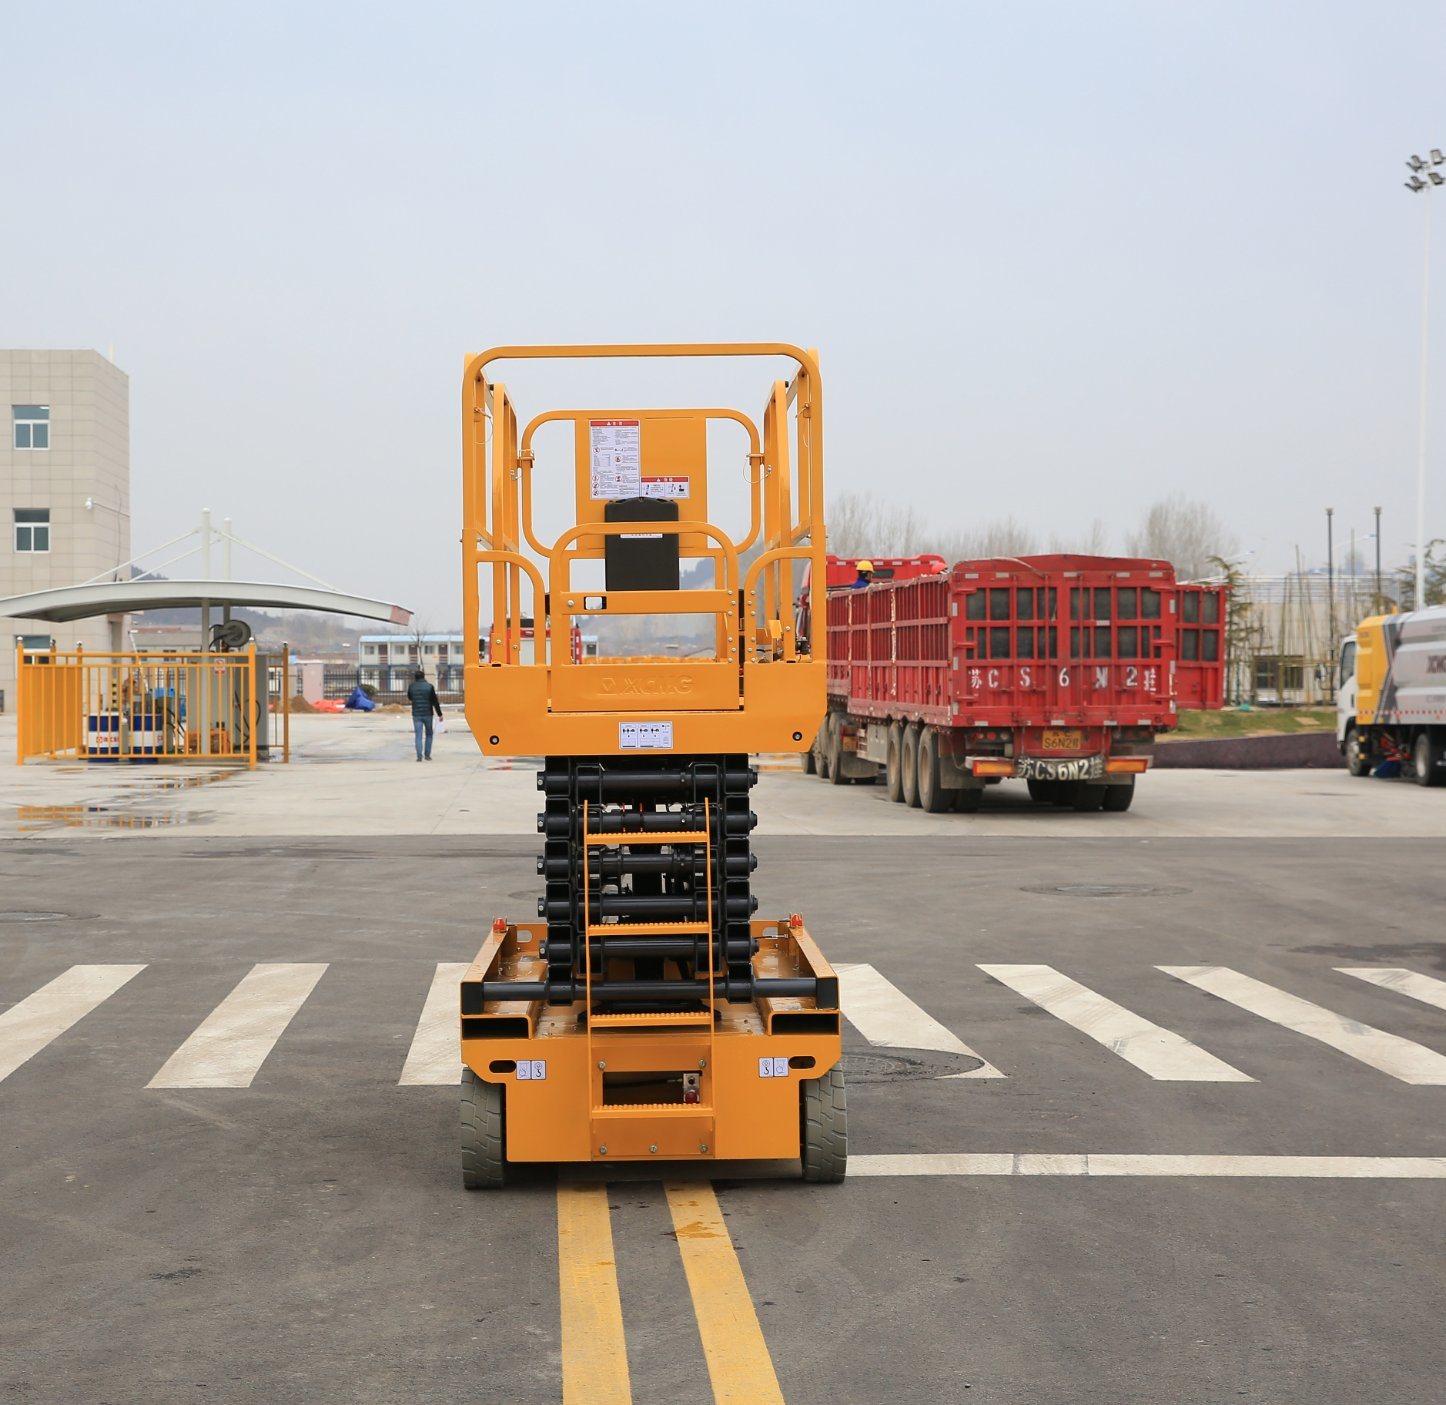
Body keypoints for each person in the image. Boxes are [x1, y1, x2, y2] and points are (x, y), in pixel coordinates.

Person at [406, 669, 443, 761]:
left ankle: (419, 756)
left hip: (416, 714)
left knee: (418, 735)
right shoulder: (429, 687)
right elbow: (435, 702)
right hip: (428, 714)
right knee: (429, 734)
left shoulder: (411, 686)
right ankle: (427, 755)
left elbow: (410, 697)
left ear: (415, 678)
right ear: (423, 677)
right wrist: (440, 714)